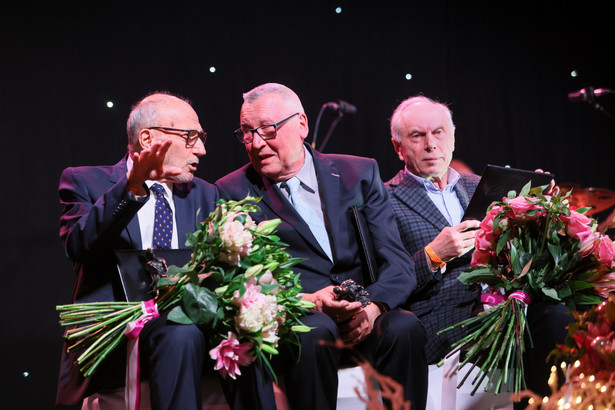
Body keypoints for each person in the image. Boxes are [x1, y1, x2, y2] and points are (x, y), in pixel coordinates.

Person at [215, 83, 428, 410]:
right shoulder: (233, 191)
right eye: (247, 133)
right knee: (314, 331)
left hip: (365, 310)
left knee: (404, 327)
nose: (257, 143)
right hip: (302, 316)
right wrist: (309, 303)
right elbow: (240, 284)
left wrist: (372, 309)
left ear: (302, 124)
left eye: (268, 130)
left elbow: (397, 264)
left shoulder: (358, 173)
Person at [56, 92, 255, 410]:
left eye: (201, 138)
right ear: (148, 138)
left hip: (193, 330)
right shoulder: (85, 181)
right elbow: (79, 246)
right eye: (191, 137)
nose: (201, 150)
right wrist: (132, 186)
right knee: (180, 334)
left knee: (247, 331)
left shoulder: (205, 194)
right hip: (119, 339)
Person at [385, 95, 574, 408]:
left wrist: (540, 212)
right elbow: (384, 280)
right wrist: (433, 255)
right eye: (418, 136)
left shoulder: (481, 185)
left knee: (559, 316)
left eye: (439, 132)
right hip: (446, 316)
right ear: (398, 146)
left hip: (509, 302)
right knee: (508, 329)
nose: (431, 144)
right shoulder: (383, 200)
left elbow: (525, 254)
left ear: (453, 138)